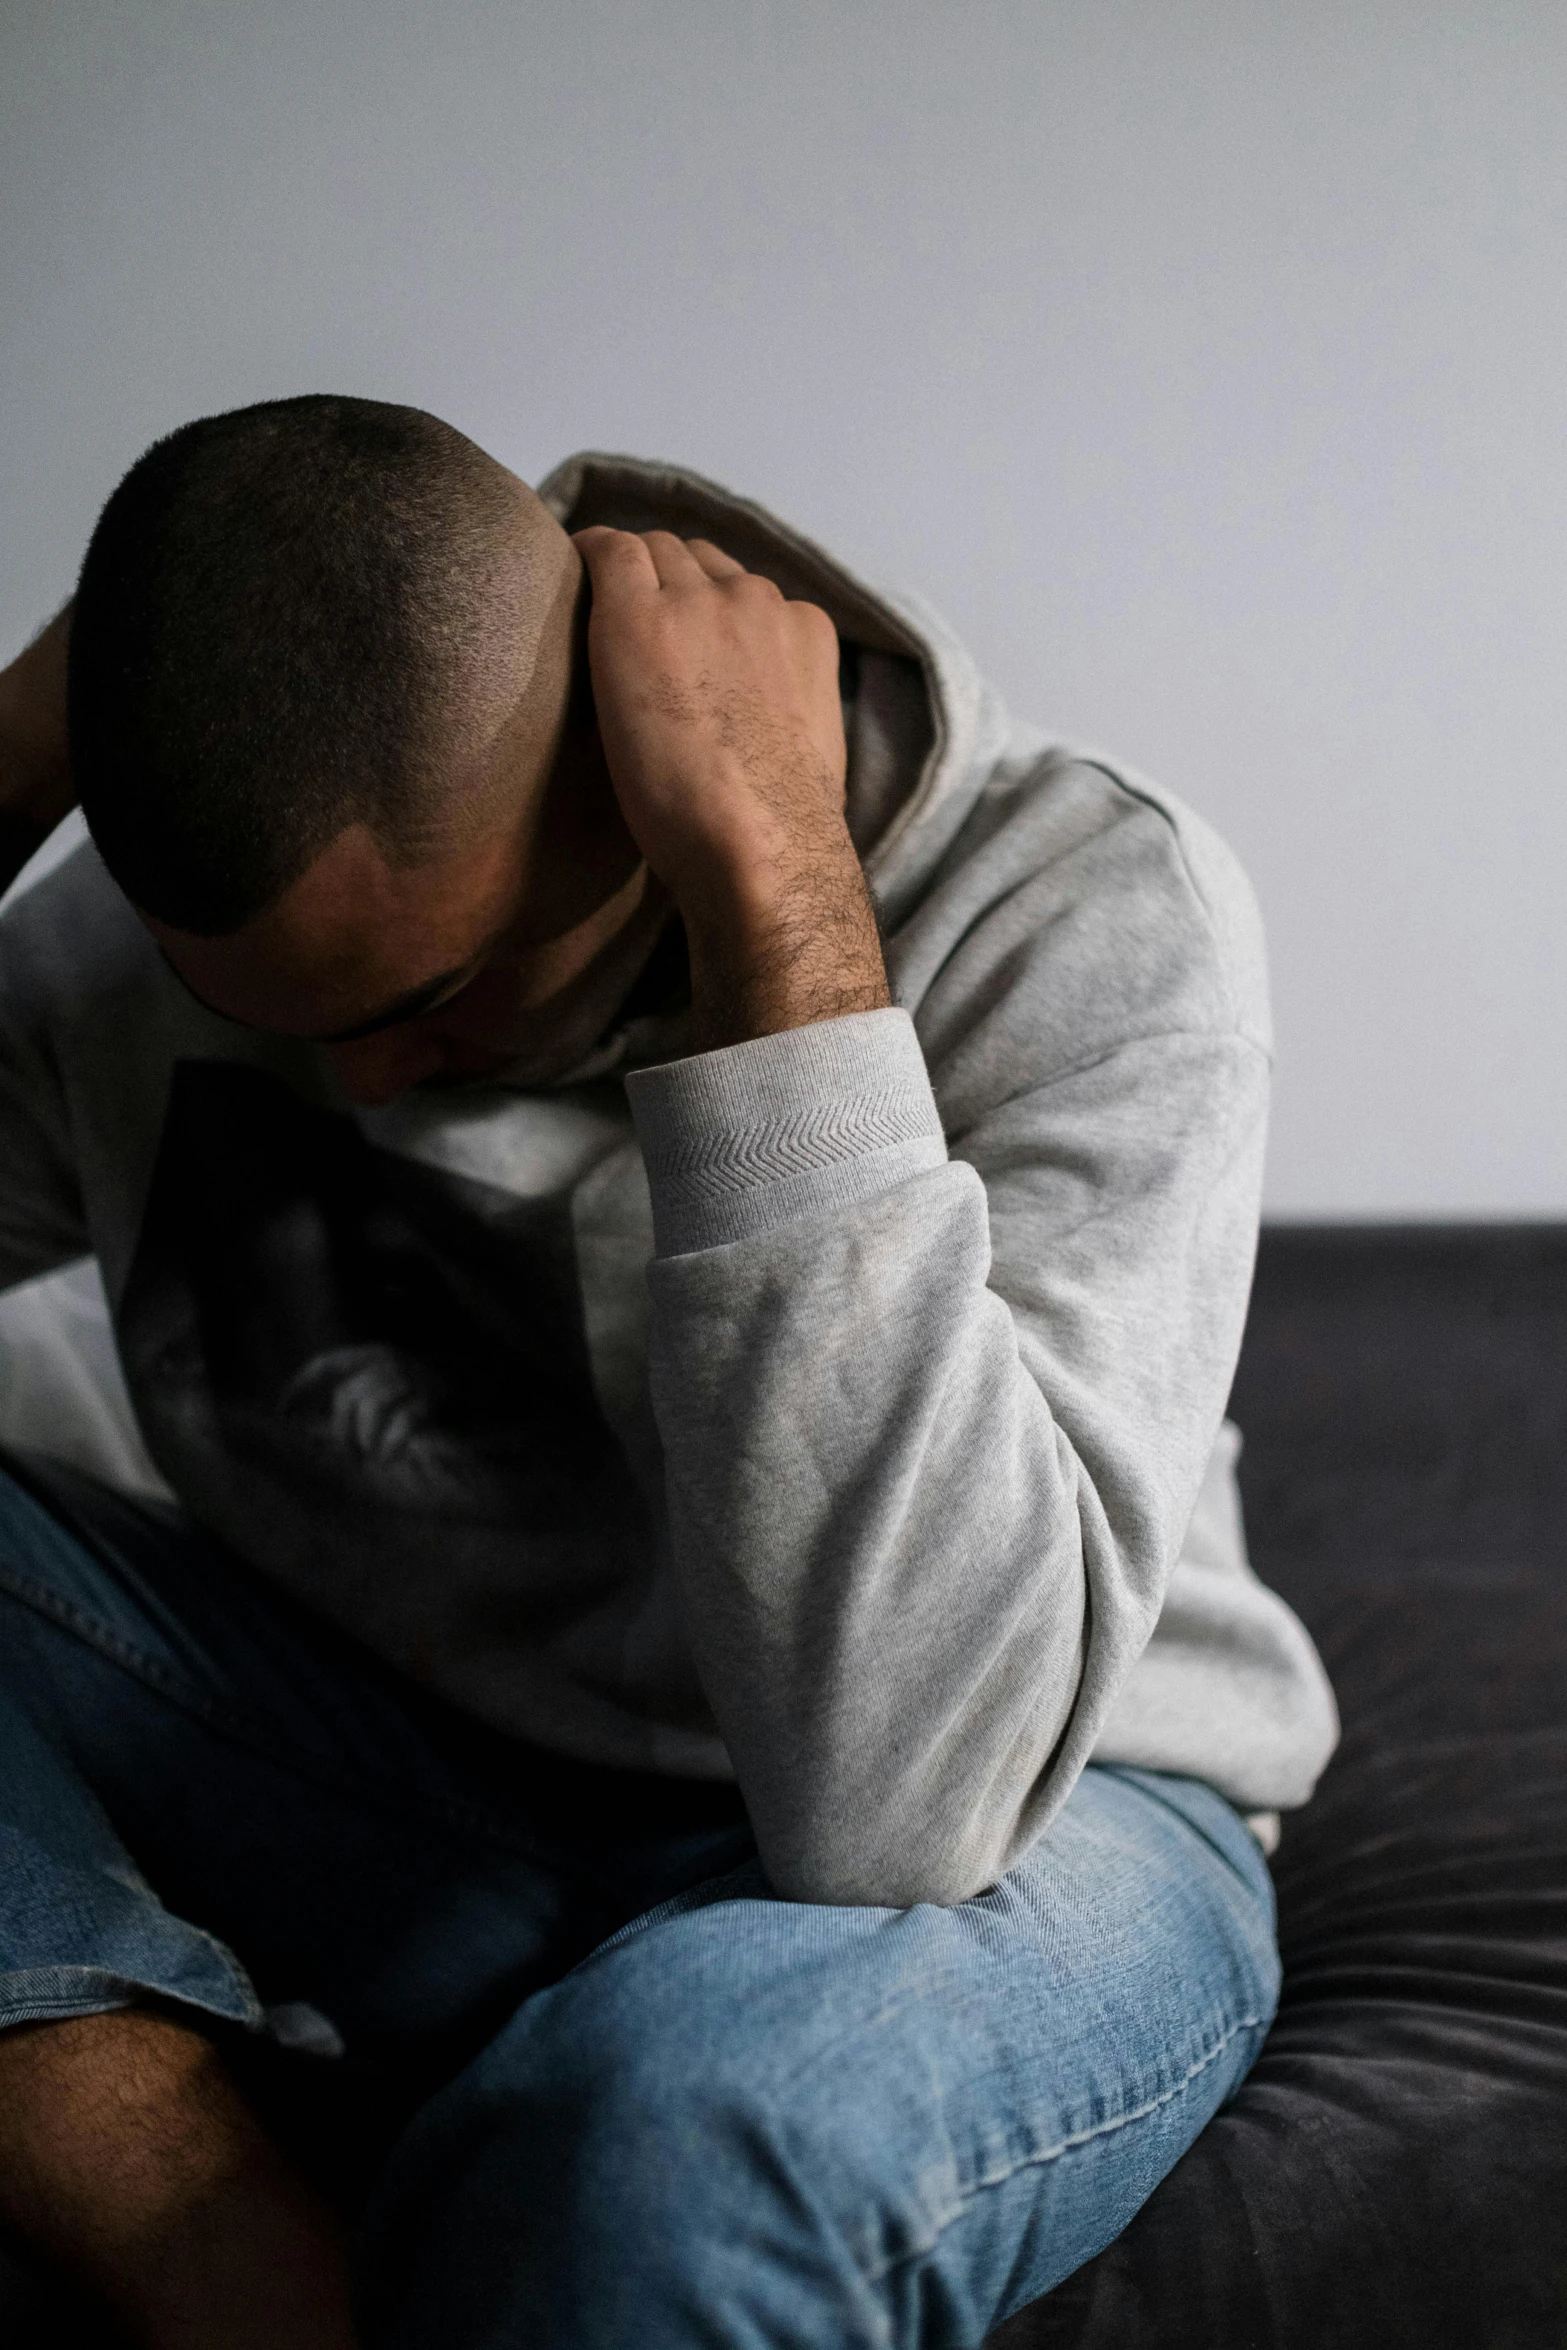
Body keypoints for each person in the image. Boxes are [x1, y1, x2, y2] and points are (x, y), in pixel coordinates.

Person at [0, 397, 1337, 2350]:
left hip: (1040, 1815)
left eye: (428, 998)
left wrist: (780, 923)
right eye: (290, 1025)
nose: (364, 1083)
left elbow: (907, 1804)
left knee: (671, 2132)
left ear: (625, 791)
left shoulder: (1081, 902)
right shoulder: (162, 930)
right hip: (411, 1784)